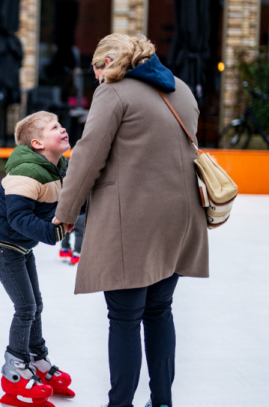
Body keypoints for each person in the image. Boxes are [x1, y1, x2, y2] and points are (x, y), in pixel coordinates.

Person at [53, 34, 209, 407]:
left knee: (124, 316)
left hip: (133, 221)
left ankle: (119, 404)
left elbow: (88, 156)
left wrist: (66, 213)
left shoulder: (114, 91)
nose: (96, 79)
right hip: (181, 218)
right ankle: (163, 401)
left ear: (108, 61)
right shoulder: (181, 89)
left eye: (95, 70)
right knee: (159, 311)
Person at [0, 111, 76, 407]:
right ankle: (16, 371)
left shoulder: (58, 164)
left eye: (60, 125)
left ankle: (37, 359)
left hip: (20, 245)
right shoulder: (26, 173)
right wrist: (52, 232)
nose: (62, 129)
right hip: (3, 244)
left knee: (36, 304)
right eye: (54, 127)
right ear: (37, 143)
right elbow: (19, 217)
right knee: (25, 308)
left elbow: (73, 194)